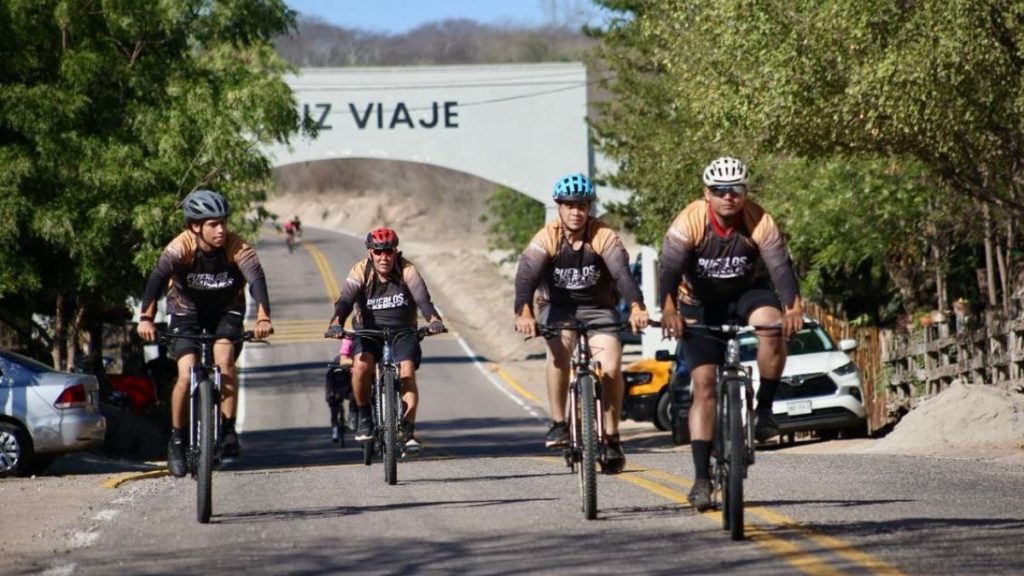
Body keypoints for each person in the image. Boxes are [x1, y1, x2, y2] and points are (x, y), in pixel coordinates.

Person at [657, 156, 803, 510]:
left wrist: (793, 307)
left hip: (747, 294)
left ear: (744, 192)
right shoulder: (689, 222)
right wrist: (669, 309)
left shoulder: (760, 220)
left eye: (735, 190)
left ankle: (764, 409)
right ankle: (701, 479)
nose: (728, 197)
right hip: (698, 303)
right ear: (706, 193)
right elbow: (670, 270)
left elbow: (781, 268)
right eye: (720, 191)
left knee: (771, 329)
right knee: (704, 385)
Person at [513, 173, 649, 475]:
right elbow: (526, 278)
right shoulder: (546, 237)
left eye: (583, 206)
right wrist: (523, 311)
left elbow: (622, 275)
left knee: (612, 368)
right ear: (558, 207)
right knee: (560, 354)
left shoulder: (603, 236)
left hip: (600, 309)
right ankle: (559, 424)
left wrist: (637, 306)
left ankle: (612, 438)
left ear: (590, 208)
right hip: (557, 310)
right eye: (570, 205)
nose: (576, 212)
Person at [137, 189, 273, 477]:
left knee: (223, 360)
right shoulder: (180, 247)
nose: (221, 229)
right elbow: (158, 279)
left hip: (227, 310)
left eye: (223, 222)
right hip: (186, 311)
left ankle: (227, 428)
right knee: (186, 375)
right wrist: (146, 318)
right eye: (213, 224)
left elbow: (256, 279)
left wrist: (263, 317)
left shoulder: (237, 247)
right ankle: (176, 440)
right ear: (195, 226)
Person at [327, 226, 444, 456]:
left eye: (389, 252)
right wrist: (336, 322)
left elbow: (423, 299)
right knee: (360, 366)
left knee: (407, 372)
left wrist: (433, 319)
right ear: (370, 252)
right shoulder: (360, 270)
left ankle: (408, 430)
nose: (384, 257)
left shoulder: (407, 270)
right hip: (368, 332)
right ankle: (364, 416)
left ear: (395, 251)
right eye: (378, 252)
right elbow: (345, 300)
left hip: (403, 332)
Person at [325, 337, 354, 443]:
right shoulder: (334, 367)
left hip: (347, 388)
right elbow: (329, 381)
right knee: (334, 408)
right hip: (335, 388)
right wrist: (330, 394)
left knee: (354, 398)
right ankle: (335, 430)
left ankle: (352, 415)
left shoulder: (351, 363)